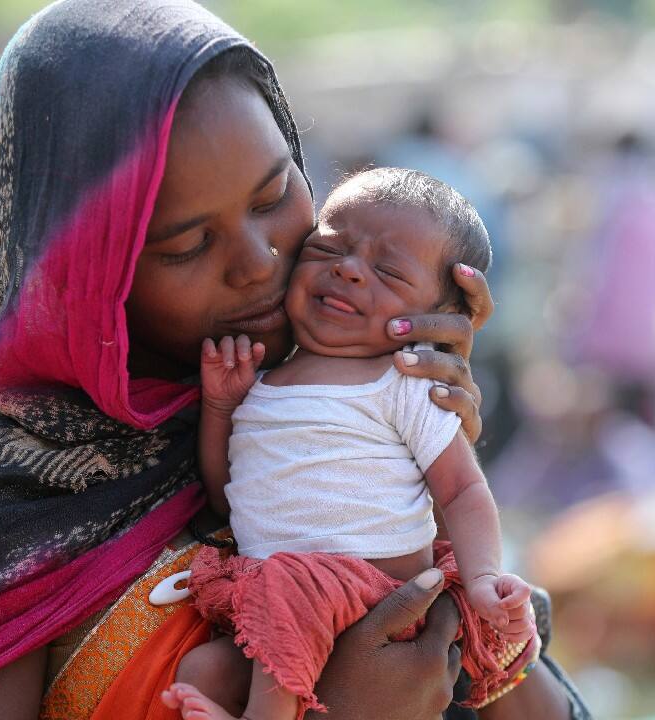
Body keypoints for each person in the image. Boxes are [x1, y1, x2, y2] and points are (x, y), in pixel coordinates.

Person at [0, 2, 591, 719]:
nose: (259, 264)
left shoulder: (360, 391)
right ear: (80, 280)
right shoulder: (9, 512)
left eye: (276, 192)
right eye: (188, 246)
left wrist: (423, 472)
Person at [161, 168, 536, 720]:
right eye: (327, 247)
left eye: (388, 271)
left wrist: (483, 579)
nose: (350, 271)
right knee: (202, 672)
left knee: (288, 594)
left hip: (373, 592)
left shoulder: (404, 383)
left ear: (435, 317)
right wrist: (221, 408)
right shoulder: (263, 388)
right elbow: (228, 495)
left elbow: (461, 491)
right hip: (282, 598)